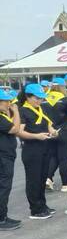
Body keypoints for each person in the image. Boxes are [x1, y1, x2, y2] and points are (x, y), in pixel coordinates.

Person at [18, 83, 58, 220]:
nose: (39, 100)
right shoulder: (23, 111)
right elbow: (19, 132)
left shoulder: (42, 109)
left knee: (42, 178)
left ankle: (42, 205)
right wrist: (36, 136)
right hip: (32, 149)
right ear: (28, 97)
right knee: (33, 180)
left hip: (45, 147)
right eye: (36, 98)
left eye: (41, 98)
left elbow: (48, 125)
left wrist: (53, 132)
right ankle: (35, 209)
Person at [45, 77, 67, 192]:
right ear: (62, 87)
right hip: (64, 132)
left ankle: (48, 178)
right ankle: (65, 184)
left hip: (49, 131)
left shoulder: (43, 100)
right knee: (64, 159)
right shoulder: (66, 100)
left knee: (53, 156)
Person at [0, 89, 21, 230]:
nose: (9, 104)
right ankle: (1, 219)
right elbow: (15, 129)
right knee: (3, 187)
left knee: (4, 186)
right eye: (6, 102)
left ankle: (3, 215)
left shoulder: (3, 115)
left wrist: (9, 112)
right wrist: (16, 112)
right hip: (3, 156)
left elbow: (12, 125)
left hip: (6, 155)